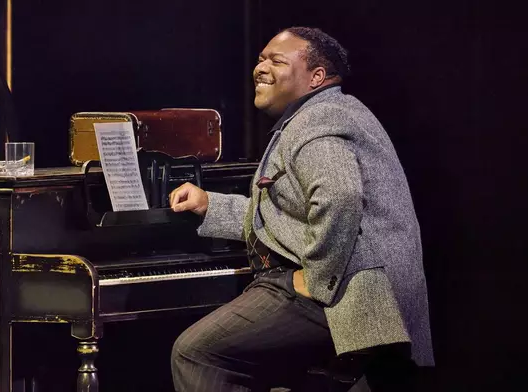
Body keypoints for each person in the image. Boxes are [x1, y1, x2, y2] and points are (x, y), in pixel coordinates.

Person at [168, 26, 434, 391]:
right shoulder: (325, 113)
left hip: (353, 297)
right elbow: (287, 215)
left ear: (316, 77)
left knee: (196, 352)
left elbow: (340, 197)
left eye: (277, 61)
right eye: (260, 59)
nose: (260, 68)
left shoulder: (319, 122)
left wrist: (318, 280)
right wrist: (210, 204)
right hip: (362, 290)